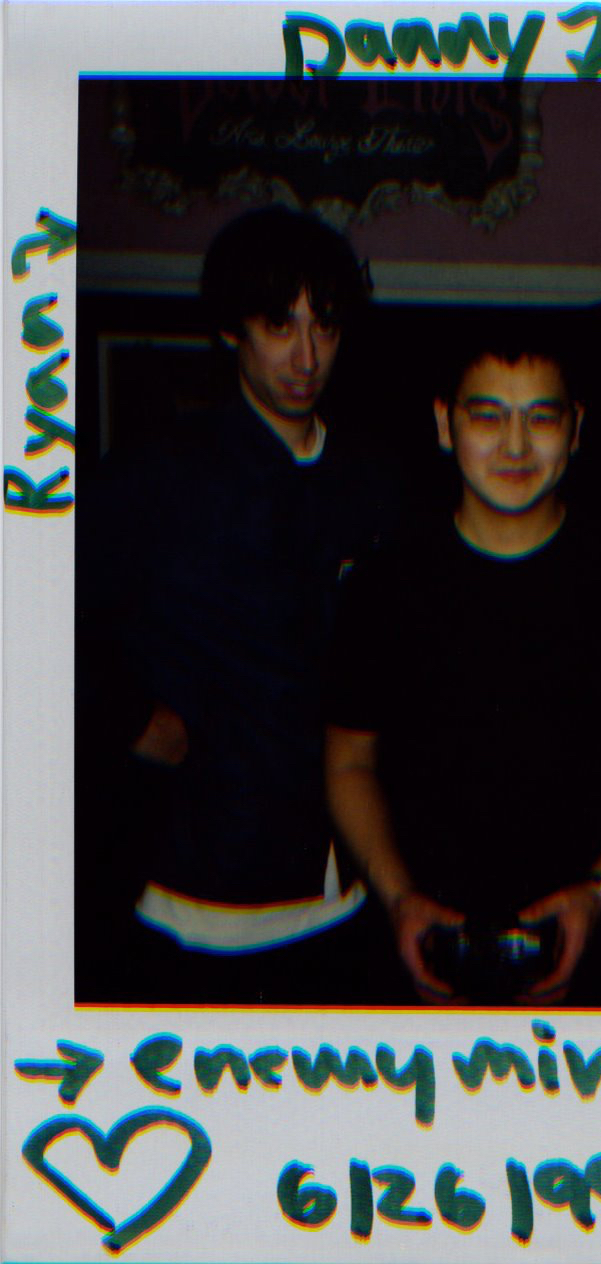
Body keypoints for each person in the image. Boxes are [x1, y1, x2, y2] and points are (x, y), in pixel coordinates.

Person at [76, 206, 394, 1004]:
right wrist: (128, 718)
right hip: (189, 900)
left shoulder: (371, 483)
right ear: (230, 330)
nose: (306, 356)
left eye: (324, 326)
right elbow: (40, 617)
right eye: (279, 326)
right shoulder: (155, 477)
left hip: (340, 899)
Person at [325, 323, 601, 1005]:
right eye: (488, 417)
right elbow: (349, 762)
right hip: (424, 952)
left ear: (576, 428)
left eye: (541, 419)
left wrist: (599, 892)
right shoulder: (384, 586)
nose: (516, 447)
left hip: (600, 958)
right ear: (445, 424)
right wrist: (399, 897)